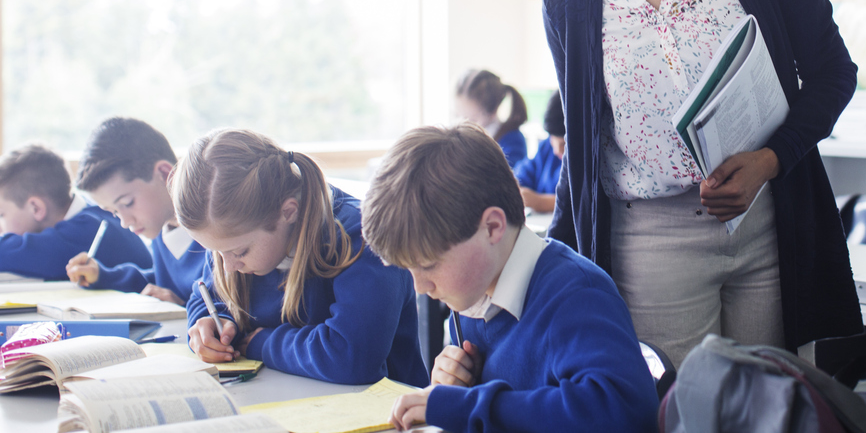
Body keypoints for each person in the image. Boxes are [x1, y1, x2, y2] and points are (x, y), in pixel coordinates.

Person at [540, 0, 862, 366]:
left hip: (768, 222)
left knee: (773, 409)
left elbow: (832, 73)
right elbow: (581, 155)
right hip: (650, 241)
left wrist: (769, 160)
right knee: (676, 415)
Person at [360, 123, 657, 433]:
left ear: (492, 227)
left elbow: (624, 412)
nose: (420, 287)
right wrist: (455, 386)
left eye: (429, 265)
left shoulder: (578, 295)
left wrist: (469, 407)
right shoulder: (473, 294)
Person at [173, 128, 427, 386]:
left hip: (385, 417)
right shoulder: (231, 238)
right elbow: (206, 295)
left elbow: (352, 357)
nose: (228, 266)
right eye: (216, 252)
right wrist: (209, 325)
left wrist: (262, 343)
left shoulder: (362, 238)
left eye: (239, 252)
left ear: (288, 212)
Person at [65, 117, 207, 304]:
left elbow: (229, 310)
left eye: (128, 202)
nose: (125, 221)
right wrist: (103, 276)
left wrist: (185, 307)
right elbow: (163, 283)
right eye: (114, 211)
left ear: (165, 174)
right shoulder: (160, 226)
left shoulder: (217, 236)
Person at [0, 143, 152, 279]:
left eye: (2, 215)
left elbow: (6, 253)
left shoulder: (85, 230)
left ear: (36, 208)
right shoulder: (89, 214)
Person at [453, 69, 528, 168]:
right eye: (457, 115)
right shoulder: (460, 138)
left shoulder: (513, 141)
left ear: (492, 112)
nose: (463, 123)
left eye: (472, 119)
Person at [514, 91, 565, 213]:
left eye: (564, 144)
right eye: (552, 139)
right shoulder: (546, 147)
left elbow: (581, 202)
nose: (556, 150)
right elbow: (524, 172)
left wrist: (539, 202)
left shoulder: (586, 162)